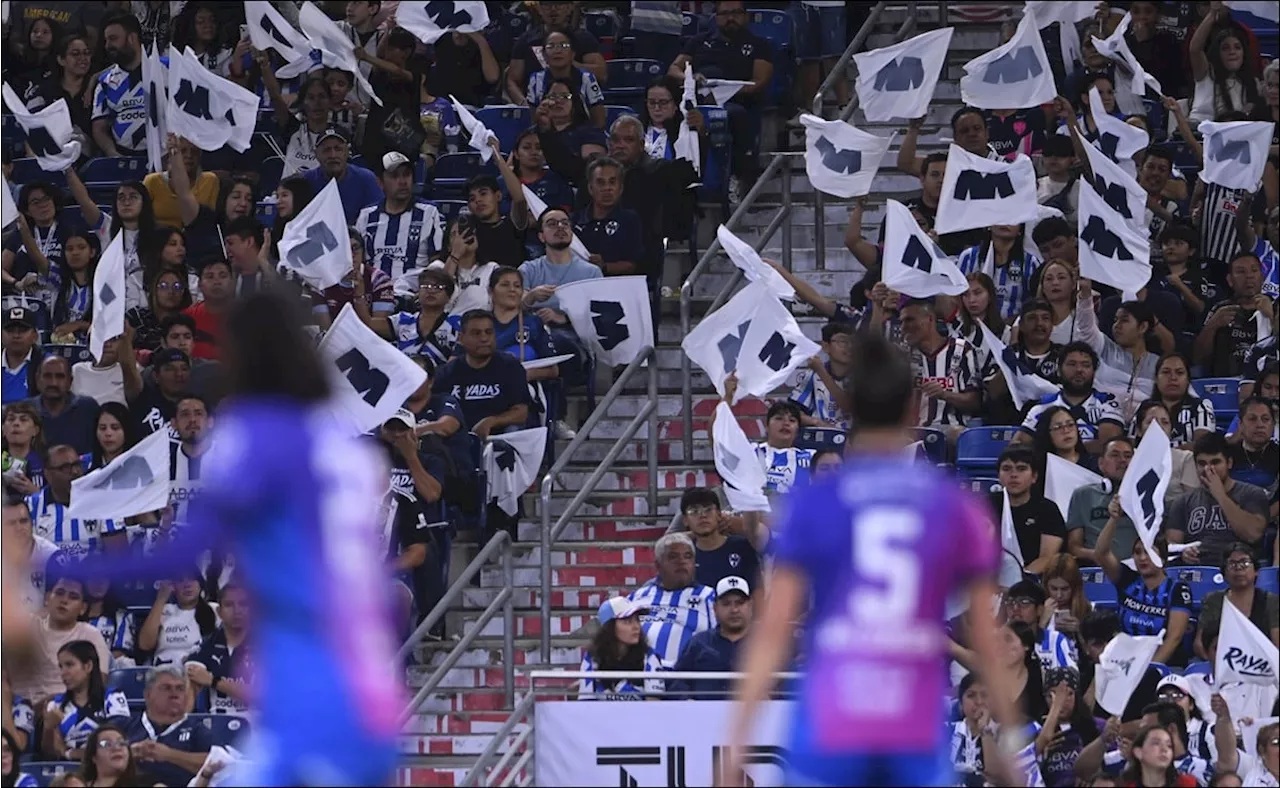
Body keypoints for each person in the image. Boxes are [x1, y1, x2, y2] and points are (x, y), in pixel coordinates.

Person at [97, 288, 404, 783]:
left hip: (310, 682)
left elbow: (174, 554)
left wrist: (44, 565)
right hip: (368, 685)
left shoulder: (254, 434)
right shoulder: (343, 443)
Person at [724, 331, 1019, 787]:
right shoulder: (953, 507)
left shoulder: (816, 503)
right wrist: (1014, 751)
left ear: (851, 409)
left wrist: (736, 744)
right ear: (911, 409)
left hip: (833, 714)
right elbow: (986, 637)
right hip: (912, 721)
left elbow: (773, 631)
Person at [668, 0, 773, 200]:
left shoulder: (759, 45)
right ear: (715, 17)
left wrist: (727, 90)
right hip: (697, 100)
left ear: (746, 16)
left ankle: (736, 176)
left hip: (737, 102)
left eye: (735, 13)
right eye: (724, 14)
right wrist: (690, 78)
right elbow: (674, 70)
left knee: (734, 116)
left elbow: (758, 82)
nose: (730, 18)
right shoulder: (699, 41)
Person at [1093, 499, 1193, 667]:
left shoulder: (1178, 589)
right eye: (1137, 552)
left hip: (1160, 666)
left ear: (1162, 557)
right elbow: (1101, 553)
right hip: (1124, 662)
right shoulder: (1126, 579)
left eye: (1148, 552)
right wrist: (1113, 519)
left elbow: (1174, 638)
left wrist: (1147, 669)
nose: (1142, 558)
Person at [376, 409, 446, 630]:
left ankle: (433, 626)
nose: (396, 435)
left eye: (402, 430)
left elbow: (432, 494)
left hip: (417, 528)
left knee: (427, 548)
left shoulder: (430, 460)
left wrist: (411, 457)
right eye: (391, 429)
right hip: (382, 525)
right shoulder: (374, 459)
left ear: (414, 433)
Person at [1167, 432, 1270, 567]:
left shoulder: (1252, 494)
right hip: (1197, 572)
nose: (1208, 469)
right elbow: (1172, 545)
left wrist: (1220, 495)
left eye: (1215, 462)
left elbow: (1253, 534)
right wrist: (1184, 552)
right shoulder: (1183, 502)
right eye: (1202, 463)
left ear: (1229, 463)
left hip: (1239, 570)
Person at [430, 311, 531, 439]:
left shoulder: (511, 367)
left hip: (498, 437)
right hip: (458, 438)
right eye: (476, 333)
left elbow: (521, 413)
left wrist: (492, 421)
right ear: (461, 338)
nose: (484, 339)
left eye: (489, 332)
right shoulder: (448, 373)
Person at [11, 574, 111, 702]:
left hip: (66, 710)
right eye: (59, 593)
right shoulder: (24, 627)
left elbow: (98, 684)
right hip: (19, 708)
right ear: (47, 599)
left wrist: (55, 702)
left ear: (83, 608)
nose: (64, 600)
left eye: (73, 597)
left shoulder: (90, 635)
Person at [626, 533, 716, 669]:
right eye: (673, 556)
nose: (682, 561)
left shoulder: (711, 597)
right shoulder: (638, 596)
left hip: (687, 681)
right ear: (658, 565)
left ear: (694, 563)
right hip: (638, 678)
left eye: (688, 556)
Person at [1017, 343, 1125, 455]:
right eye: (1072, 364)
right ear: (1059, 370)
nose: (1079, 370)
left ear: (1094, 372)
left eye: (1086, 365)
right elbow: (1019, 444)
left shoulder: (1107, 402)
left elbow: (1108, 445)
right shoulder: (1043, 406)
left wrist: (1062, 450)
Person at [354, 152, 444, 282]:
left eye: (406, 175)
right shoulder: (366, 216)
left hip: (413, 294)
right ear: (380, 183)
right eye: (394, 176)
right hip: (374, 293)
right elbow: (356, 259)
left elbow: (438, 260)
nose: (402, 182)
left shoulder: (430, 212)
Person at [710, 382, 812, 495]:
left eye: (792, 420)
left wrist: (815, 421)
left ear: (798, 431)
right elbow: (716, 435)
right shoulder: (749, 451)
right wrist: (728, 397)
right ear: (766, 427)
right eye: (779, 418)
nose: (786, 423)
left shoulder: (812, 458)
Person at [26, 444, 124, 560]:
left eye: (77, 465)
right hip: (48, 574)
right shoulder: (31, 506)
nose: (75, 471)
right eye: (65, 467)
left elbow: (119, 556)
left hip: (95, 575)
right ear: (48, 474)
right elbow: (22, 554)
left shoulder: (102, 501)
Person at [901, 298, 981, 433]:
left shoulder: (961, 350)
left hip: (950, 429)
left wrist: (944, 394)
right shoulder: (902, 355)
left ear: (930, 319)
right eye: (901, 321)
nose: (903, 327)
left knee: (958, 435)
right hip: (911, 431)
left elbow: (975, 402)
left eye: (910, 320)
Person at [40, 641, 130, 761]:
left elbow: (114, 742)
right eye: (61, 667)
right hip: (68, 772)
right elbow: (51, 754)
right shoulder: (55, 705)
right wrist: (48, 729)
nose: (63, 673)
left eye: (69, 665)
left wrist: (71, 753)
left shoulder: (112, 697)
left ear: (88, 666)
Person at [123, 665, 211, 787]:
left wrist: (169, 755)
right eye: (166, 688)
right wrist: (128, 753)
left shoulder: (197, 729)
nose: (174, 694)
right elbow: (91, 755)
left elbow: (215, 764)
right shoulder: (125, 725)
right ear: (147, 695)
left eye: (180, 688)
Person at [668, 576, 754, 700]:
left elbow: (787, 683)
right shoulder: (699, 643)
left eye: (740, 603)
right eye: (726, 604)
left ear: (750, 605)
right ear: (715, 608)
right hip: (704, 716)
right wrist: (686, 701)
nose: (734, 610)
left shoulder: (768, 646)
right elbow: (677, 682)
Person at [1194, 544, 1279, 662]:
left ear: (1256, 571)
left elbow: (1276, 646)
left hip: (1262, 668)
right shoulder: (1213, 600)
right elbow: (1200, 644)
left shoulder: (1271, 601)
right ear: (1224, 573)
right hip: (1222, 665)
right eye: (1232, 564)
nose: (1238, 568)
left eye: (1244, 563)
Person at [1194, 253, 1271, 377]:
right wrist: (1212, 326)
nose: (1249, 276)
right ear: (1230, 280)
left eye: (1254, 270)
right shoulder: (1220, 309)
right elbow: (1198, 358)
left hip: (1267, 385)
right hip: (1226, 384)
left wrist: (1271, 317)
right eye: (1241, 272)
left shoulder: (1275, 307)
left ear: (1262, 277)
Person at [360, 268, 457, 366]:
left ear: (449, 297)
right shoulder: (403, 320)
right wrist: (358, 296)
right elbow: (368, 323)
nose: (431, 290)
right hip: (404, 378)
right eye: (425, 286)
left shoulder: (456, 326)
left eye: (438, 287)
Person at [995, 446, 1067, 575]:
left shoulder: (1047, 509)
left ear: (1034, 476)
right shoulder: (984, 506)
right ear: (998, 476)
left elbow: (1047, 557)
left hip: (1031, 583)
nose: (1013, 475)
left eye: (1021, 469)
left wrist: (1017, 580)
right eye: (1006, 469)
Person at [185, 580, 253, 716]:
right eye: (229, 605)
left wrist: (213, 681)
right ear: (219, 611)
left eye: (243, 604)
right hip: (217, 725)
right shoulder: (205, 645)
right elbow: (190, 688)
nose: (237, 611)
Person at [576, 597, 664, 700]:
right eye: (627, 621)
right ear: (609, 627)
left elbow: (655, 708)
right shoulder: (592, 657)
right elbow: (586, 704)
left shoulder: (649, 657)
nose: (636, 626)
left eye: (637, 620)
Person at [573, 157, 645, 277]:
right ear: (590, 188)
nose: (607, 188)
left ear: (621, 188)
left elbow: (633, 264)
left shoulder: (630, 220)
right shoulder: (574, 221)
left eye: (612, 182)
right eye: (601, 182)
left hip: (617, 288)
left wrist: (605, 266)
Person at [956, 225, 1044, 322]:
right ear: (989, 225)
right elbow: (955, 297)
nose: (1006, 222)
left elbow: (1035, 304)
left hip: (1015, 331)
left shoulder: (1031, 263)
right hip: (970, 328)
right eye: (1001, 217)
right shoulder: (968, 257)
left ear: (1020, 230)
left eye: (1012, 219)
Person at [314, 227, 398, 328]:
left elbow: (379, 330)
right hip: (335, 340)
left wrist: (359, 297)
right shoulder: (321, 282)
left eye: (355, 248)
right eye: (344, 250)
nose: (351, 254)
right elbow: (325, 330)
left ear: (363, 251)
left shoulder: (379, 279)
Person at [679, 488, 760, 592]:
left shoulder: (741, 546)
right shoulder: (684, 555)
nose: (703, 515)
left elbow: (757, 590)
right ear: (685, 520)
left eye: (708, 509)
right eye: (694, 511)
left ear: (719, 514)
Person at [136, 567, 219, 666]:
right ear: (173, 587)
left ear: (200, 585)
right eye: (180, 580)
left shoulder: (214, 609)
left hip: (198, 670)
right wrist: (161, 599)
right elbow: (145, 645)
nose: (187, 585)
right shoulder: (163, 610)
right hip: (164, 672)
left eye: (191, 579)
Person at [523, 30, 606, 128]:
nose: (558, 51)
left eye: (564, 46)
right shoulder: (536, 80)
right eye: (551, 46)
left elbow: (599, 122)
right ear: (544, 55)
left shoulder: (587, 78)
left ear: (572, 54)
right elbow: (533, 121)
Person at [90, 13, 145, 157]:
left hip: (167, 158)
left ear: (132, 38)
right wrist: (112, 153)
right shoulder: (105, 82)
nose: (108, 46)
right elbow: (99, 127)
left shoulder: (167, 70)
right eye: (106, 40)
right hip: (123, 157)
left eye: (113, 39)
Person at [301, 129, 385, 224]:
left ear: (347, 152)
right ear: (316, 154)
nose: (333, 155)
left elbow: (377, 218)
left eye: (338, 149)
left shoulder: (366, 179)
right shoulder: (305, 182)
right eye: (326, 150)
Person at [2, 494, 65, 613]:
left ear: (32, 523)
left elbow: (59, 608)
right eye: (11, 523)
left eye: (23, 521)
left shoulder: (52, 557)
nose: (19, 528)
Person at [24, 357, 98, 456]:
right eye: (47, 376)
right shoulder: (24, 410)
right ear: (37, 380)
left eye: (60, 376)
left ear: (70, 381)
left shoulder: (88, 408)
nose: (53, 383)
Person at [1133, 402, 1201, 507]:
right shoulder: (1128, 457)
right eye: (1151, 422)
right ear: (1138, 430)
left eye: (1165, 422)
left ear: (1171, 430)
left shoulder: (1185, 458)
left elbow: (1192, 503)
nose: (1159, 427)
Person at [1004, 579, 1078, 674]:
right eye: (1010, 603)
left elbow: (1070, 679)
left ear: (1040, 610)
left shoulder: (1056, 640)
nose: (1015, 608)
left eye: (1024, 602)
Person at [790, 322, 853, 430]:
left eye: (853, 342)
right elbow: (792, 412)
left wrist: (821, 371)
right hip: (821, 439)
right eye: (843, 342)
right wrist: (816, 422)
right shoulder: (812, 375)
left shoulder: (863, 376)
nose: (850, 347)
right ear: (826, 347)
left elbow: (848, 406)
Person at [1148, 353, 1215, 451]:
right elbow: (1132, 443)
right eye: (1166, 372)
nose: (1173, 378)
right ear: (1156, 379)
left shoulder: (1201, 406)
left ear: (1188, 379)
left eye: (1179, 373)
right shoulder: (1145, 408)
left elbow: (1203, 444)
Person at [121, 343, 187, 437]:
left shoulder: (198, 406)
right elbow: (127, 367)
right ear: (156, 376)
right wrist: (126, 338)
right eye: (170, 369)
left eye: (184, 369)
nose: (179, 374)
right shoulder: (143, 400)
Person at [125, 268, 192, 354]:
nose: (171, 291)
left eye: (177, 286)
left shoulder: (187, 321)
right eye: (163, 286)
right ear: (154, 291)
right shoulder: (136, 317)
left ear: (183, 292)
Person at [1120, 724, 1199, 787]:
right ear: (1138, 752)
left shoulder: (1188, 784)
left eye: (1169, 745)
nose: (1164, 749)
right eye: (1156, 743)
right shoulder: (1124, 784)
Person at [82, 723, 156, 788]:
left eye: (122, 743)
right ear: (94, 757)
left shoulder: (148, 784)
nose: (117, 748)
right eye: (107, 744)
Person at [1226, 398, 1278, 488]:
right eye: (1252, 419)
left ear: (1273, 424)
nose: (1260, 425)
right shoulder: (1226, 454)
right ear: (1240, 424)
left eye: (1265, 419)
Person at [1033, 405, 1099, 475]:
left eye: (1070, 425)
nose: (1066, 431)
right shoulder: (1039, 468)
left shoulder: (1094, 464)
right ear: (1046, 433)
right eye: (1058, 427)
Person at [1, 307, 43, 404]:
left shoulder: (48, 364)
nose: (16, 335)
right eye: (10, 330)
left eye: (23, 330)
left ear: (35, 336)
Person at [3, 402, 46, 495]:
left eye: (23, 419)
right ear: (3, 430)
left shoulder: (47, 462)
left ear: (35, 430)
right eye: (11, 419)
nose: (16, 423)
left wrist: (35, 492)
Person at [70, 338, 125, 407]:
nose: (108, 344)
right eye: (102, 339)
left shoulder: (128, 371)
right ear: (89, 345)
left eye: (113, 339)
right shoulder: (77, 369)